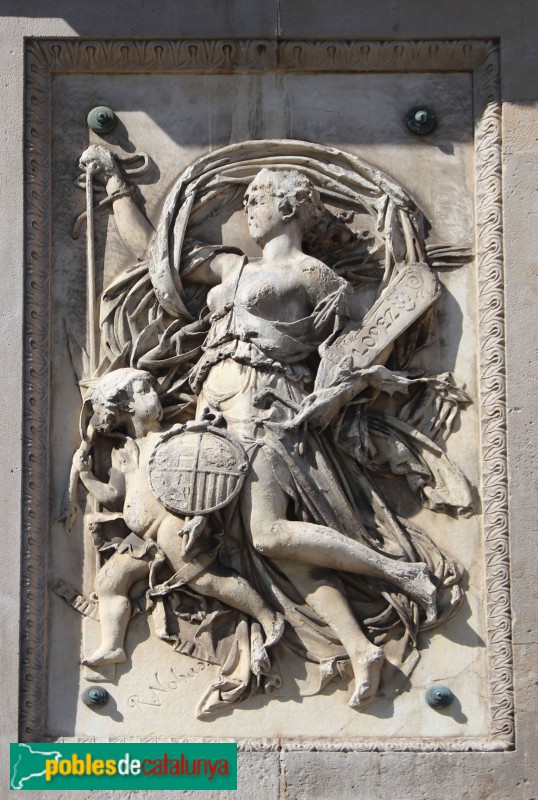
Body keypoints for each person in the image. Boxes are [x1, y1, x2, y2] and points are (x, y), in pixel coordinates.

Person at [75, 145, 465, 712]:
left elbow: (357, 349)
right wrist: (115, 187)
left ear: (289, 206)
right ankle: (361, 649)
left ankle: (401, 572)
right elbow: (156, 259)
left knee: (268, 535)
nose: (248, 208)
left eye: (258, 198)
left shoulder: (313, 275)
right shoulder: (231, 268)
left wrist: (340, 392)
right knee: (277, 553)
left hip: (268, 411)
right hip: (212, 420)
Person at [74, 367, 284, 668]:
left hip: (172, 528)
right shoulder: (123, 452)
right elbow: (113, 497)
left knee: (207, 580)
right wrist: (86, 475)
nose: (155, 395)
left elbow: (204, 479)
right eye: (144, 390)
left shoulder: (177, 437)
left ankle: (267, 616)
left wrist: (201, 515)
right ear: (125, 406)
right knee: (109, 581)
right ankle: (112, 647)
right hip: (142, 539)